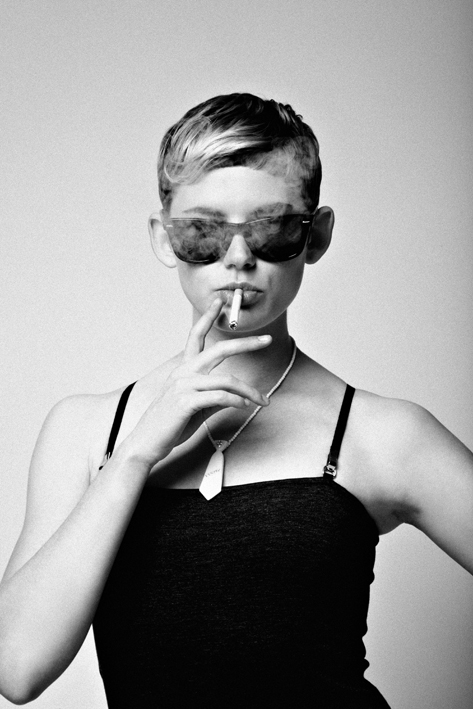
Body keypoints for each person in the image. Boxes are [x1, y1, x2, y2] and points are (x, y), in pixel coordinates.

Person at [0, 93, 471, 708]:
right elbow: (16, 667)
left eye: (272, 229)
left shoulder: (381, 434)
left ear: (317, 235)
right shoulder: (85, 430)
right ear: (163, 238)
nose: (239, 258)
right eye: (204, 232)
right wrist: (136, 454)